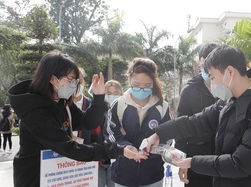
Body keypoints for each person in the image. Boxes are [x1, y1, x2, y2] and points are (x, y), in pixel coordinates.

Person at [145, 45, 251, 187]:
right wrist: (159, 133)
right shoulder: (228, 102)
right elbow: (196, 122)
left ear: (230, 72)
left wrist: (192, 162)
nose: (211, 84)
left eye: (212, 77)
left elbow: (240, 163)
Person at [7, 50, 146, 187]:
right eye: (70, 80)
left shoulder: (61, 101)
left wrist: (98, 98)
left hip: (57, 174)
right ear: (53, 79)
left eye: (75, 80)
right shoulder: (36, 111)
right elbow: (69, 148)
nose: (74, 85)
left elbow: (86, 122)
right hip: (36, 177)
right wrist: (116, 150)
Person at [104, 58, 172, 187]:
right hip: (124, 175)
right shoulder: (118, 105)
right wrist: (125, 147)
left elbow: (169, 135)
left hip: (153, 175)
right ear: (129, 80)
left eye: (147, 86)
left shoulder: (162, 106)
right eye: (136, 85)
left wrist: (156, 148)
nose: (142, 89)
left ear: (153, 83)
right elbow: (111, 135)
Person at [176, 42, 219, 187]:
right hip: (196, 160)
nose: (207, 69)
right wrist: (182, 162)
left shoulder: (229, 90)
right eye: (204, 64)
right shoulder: (189, 91)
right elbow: (181, 129)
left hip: (224, 160)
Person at [99, 80, 124, 187]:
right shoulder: (97, 110)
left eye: (115, 93)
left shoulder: (124, 111)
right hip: (98, 159)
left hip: (116, 160)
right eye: (108, 93)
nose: (112, 96)